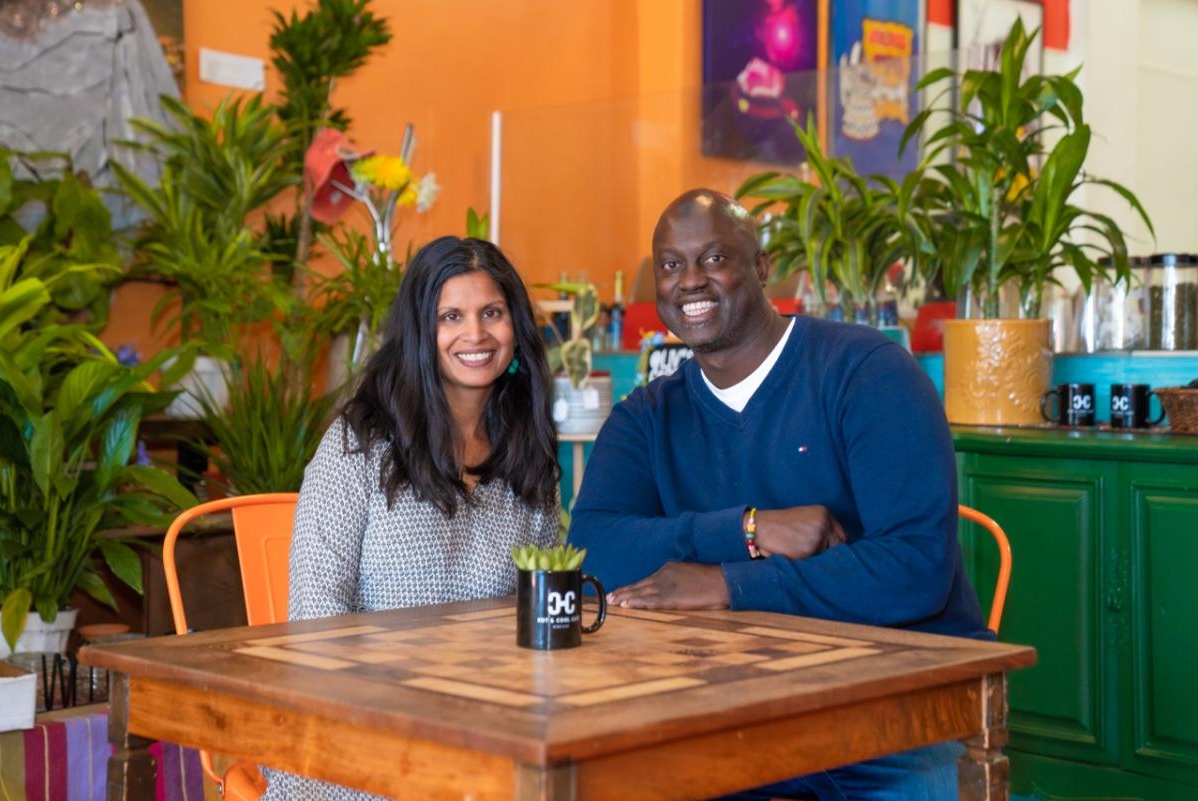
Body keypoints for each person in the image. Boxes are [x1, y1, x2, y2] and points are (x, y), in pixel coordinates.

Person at [569, 189, 989, 801]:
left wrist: (726, 583)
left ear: (761, 268)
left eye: (714, 259)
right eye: (669, 265)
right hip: (726, 711)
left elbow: (915, 568)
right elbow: (592, 550)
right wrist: (746, 530)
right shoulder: (648, 414)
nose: (689, 281)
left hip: (894, 711)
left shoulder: (868, 372)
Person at [263, 236, 561, 801]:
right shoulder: (359, 446)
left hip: (484, 730)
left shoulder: (529, 454)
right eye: (451, 316)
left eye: (491, 313)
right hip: (354, 731)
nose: (475, 335)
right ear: (421, 335)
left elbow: (536, 610)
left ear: (515, 328)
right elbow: (316, 617)